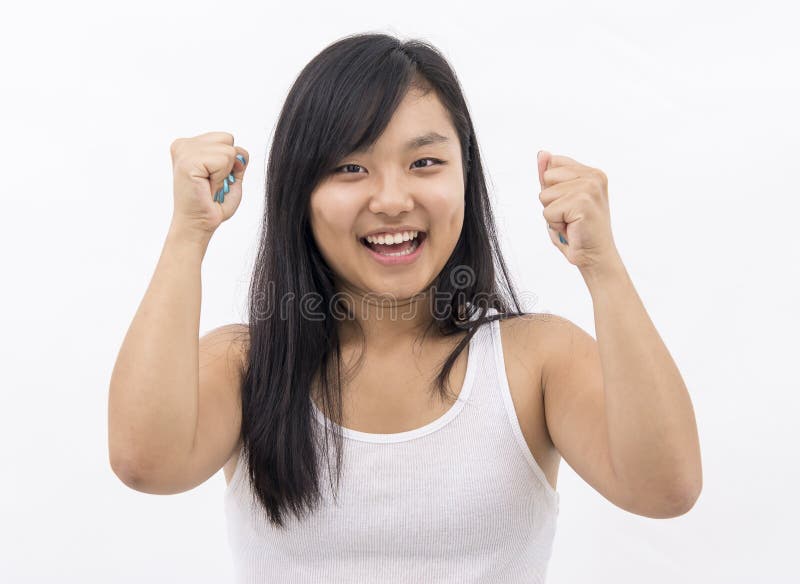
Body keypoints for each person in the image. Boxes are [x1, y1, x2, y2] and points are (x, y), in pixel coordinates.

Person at [108, 31, 702, 583]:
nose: (392, 200)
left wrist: (603, 268)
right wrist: (189, 234)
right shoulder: (249, 364)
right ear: (300, 193)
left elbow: (665, 489)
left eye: (424, 162)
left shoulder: (537, 360)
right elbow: (146, 463)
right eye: (350, 167)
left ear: (466, 178)